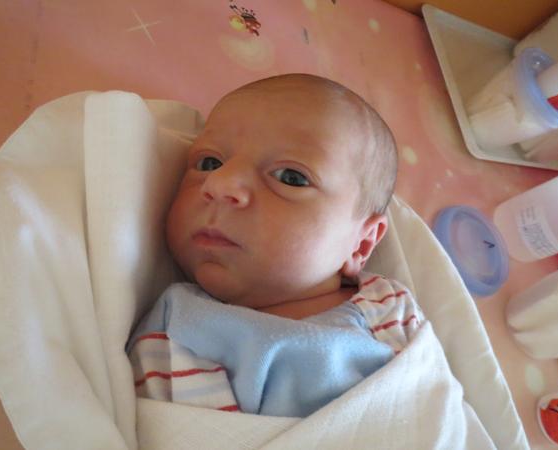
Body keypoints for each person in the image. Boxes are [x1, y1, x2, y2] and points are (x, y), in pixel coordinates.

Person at [127, 74, 424, 417]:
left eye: (291, 178)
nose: (219, 183)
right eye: (210, 163)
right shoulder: (177, 329)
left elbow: (437, 412)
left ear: (361, 244)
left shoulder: (388, 306)